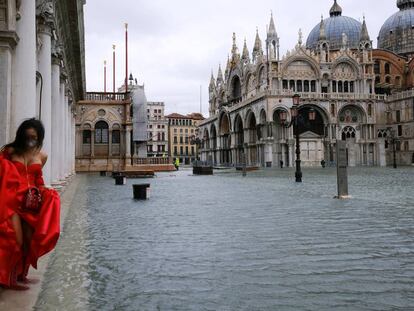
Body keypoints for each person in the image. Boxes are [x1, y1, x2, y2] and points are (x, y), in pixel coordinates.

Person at [0, 118, 60, 290]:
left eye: (34, 137)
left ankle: (21, 275)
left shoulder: (42, 156)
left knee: (28, 241)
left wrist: (45, 192)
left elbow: (38, 180)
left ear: (39, 137)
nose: (30, 140)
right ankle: (9, 280)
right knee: (15, 240)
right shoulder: (10, 151)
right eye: (27, 136)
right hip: (11, 201)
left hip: (30, 203)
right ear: (21, 136)